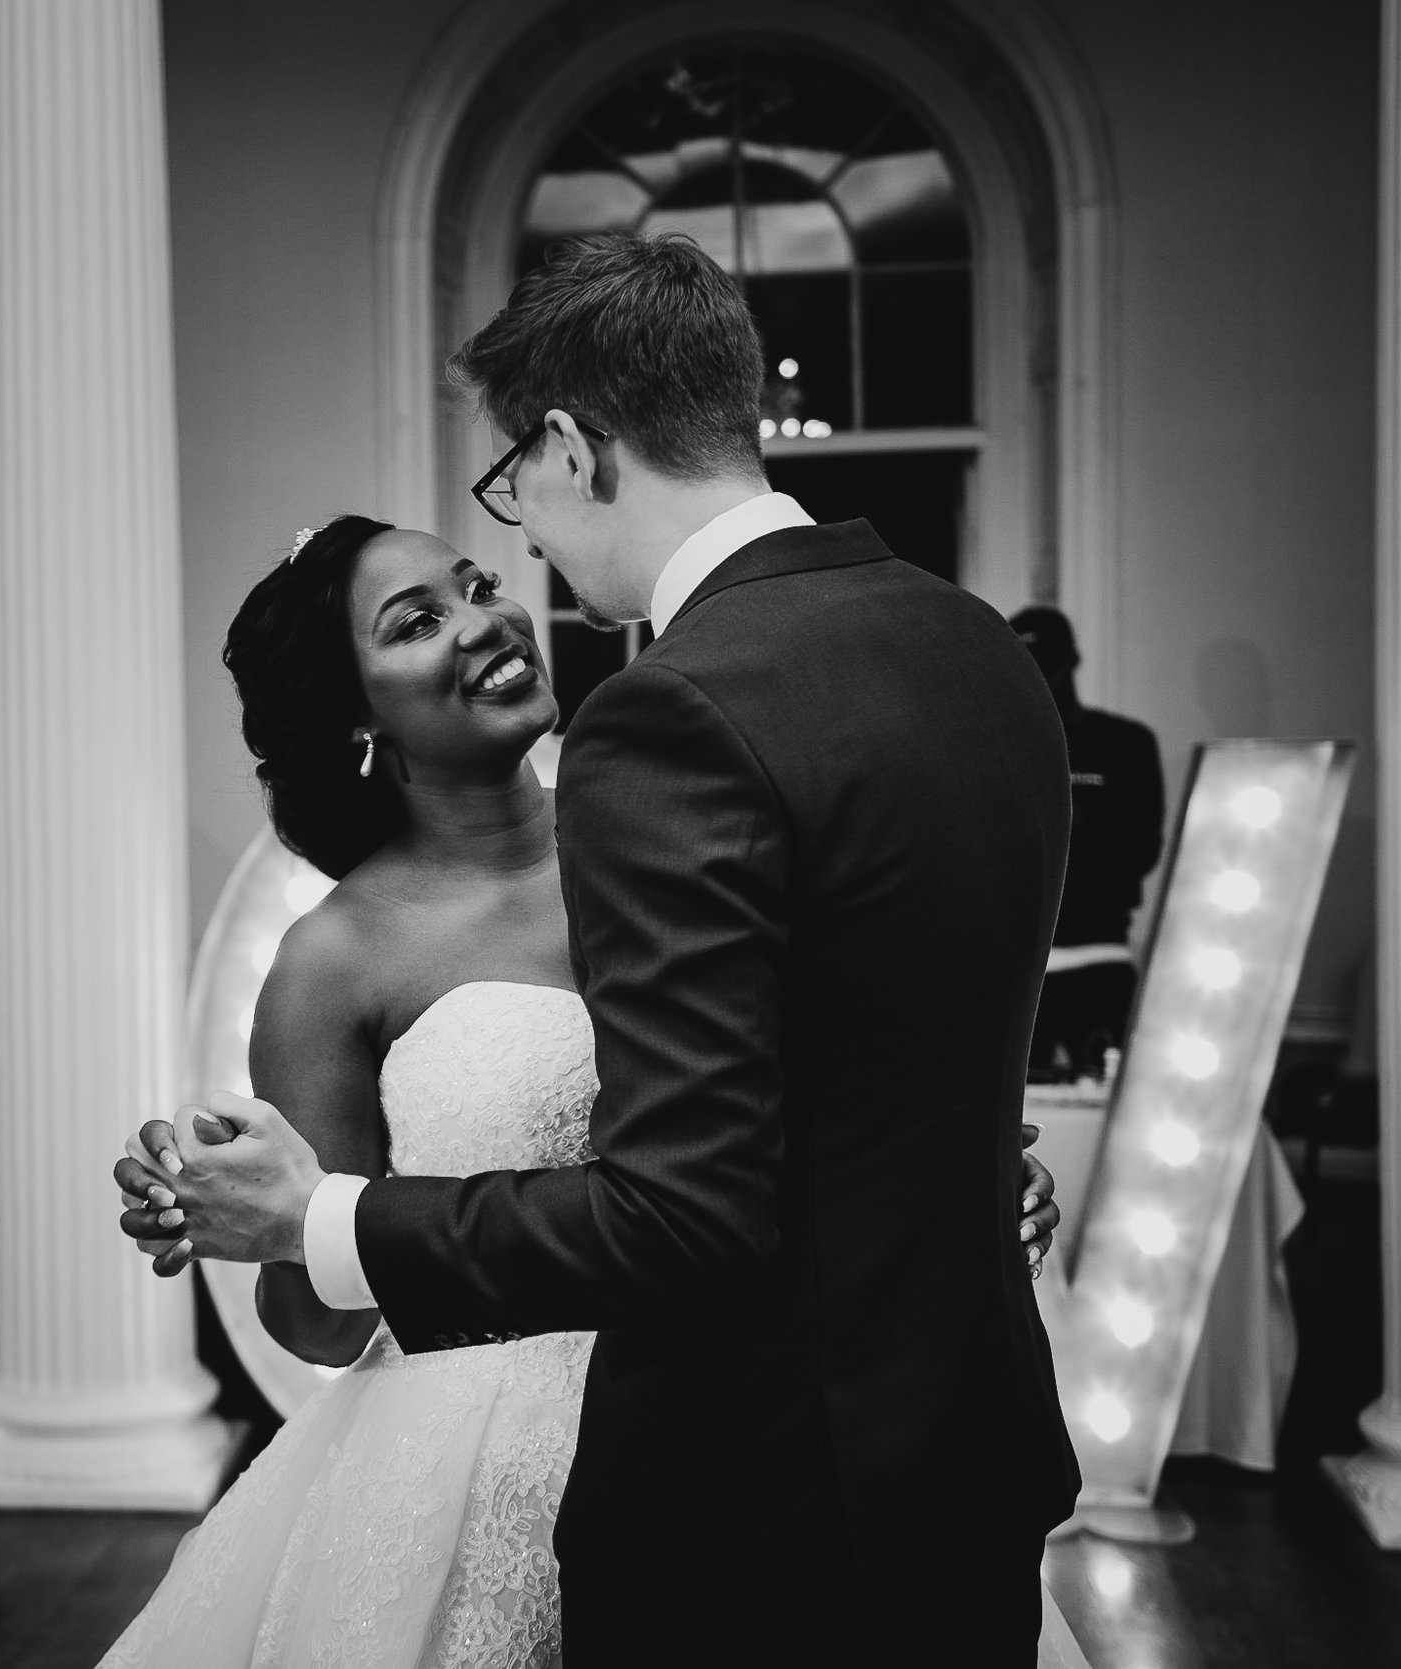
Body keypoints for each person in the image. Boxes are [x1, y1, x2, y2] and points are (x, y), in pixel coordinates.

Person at [115, 232, 1084, 1666]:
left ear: (570, 446)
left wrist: (317, 1217)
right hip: (908, 1453)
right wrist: (260, 1209)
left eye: (507, 505)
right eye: (420, 612)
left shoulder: (670, 731)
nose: (516, 571)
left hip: (756, 1480)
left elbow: (704, 1195)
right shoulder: (972, 647)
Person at [1009, 605, 1166, 1079]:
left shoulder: (1124, 742)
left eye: (1046, 661)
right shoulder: (1001, 744)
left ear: (1071, 659)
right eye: (1025, 661)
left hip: (1100, 958)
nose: (1038, 675)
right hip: (1018, 966)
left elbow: (1141, 851)